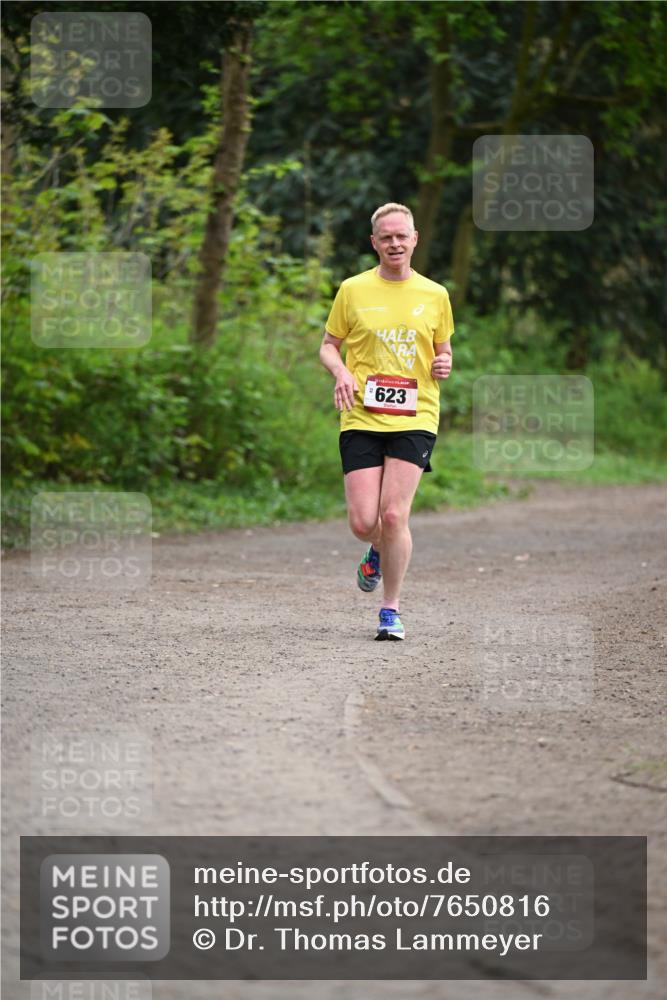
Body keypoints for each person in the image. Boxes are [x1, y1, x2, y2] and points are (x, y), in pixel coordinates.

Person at [319, 202, 454, 641]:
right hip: (361, 413)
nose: (395, 243)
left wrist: (444, 363)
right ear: (374, 243)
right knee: (364, 523)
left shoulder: (435, 294)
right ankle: (377, 549)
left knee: (394, 514)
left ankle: (390, 610)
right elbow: (328, 345)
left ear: (415, 239)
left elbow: (443, 350)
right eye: (386, 237)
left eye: (402, 236)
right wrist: (341, 372)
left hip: (416, 414)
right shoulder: (352, 290)